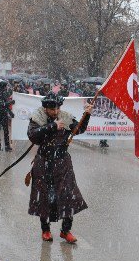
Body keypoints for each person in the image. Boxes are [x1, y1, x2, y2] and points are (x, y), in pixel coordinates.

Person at [27, 93, 93, 243]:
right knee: (44, 197)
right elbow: (32, 135)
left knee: (67, 196)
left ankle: (65, 231)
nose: (55, 111)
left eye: (57, 107)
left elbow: (78, 129)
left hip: (62, 163)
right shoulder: (37, 117)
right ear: (45, 108)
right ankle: (46, 230)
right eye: (52, 108)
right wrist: (52, 126)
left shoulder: (66, 116)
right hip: (43, 163)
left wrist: (86, 115)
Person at [0, 81, 14, 151]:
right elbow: (1, 104)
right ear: (2, 86)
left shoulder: (4, 92)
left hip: (4, 114)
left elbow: (6, 104)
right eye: (5, 86)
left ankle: (7, 146)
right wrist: (10, 102)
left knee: (6, 131)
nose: (6, 88)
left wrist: (10, 112)